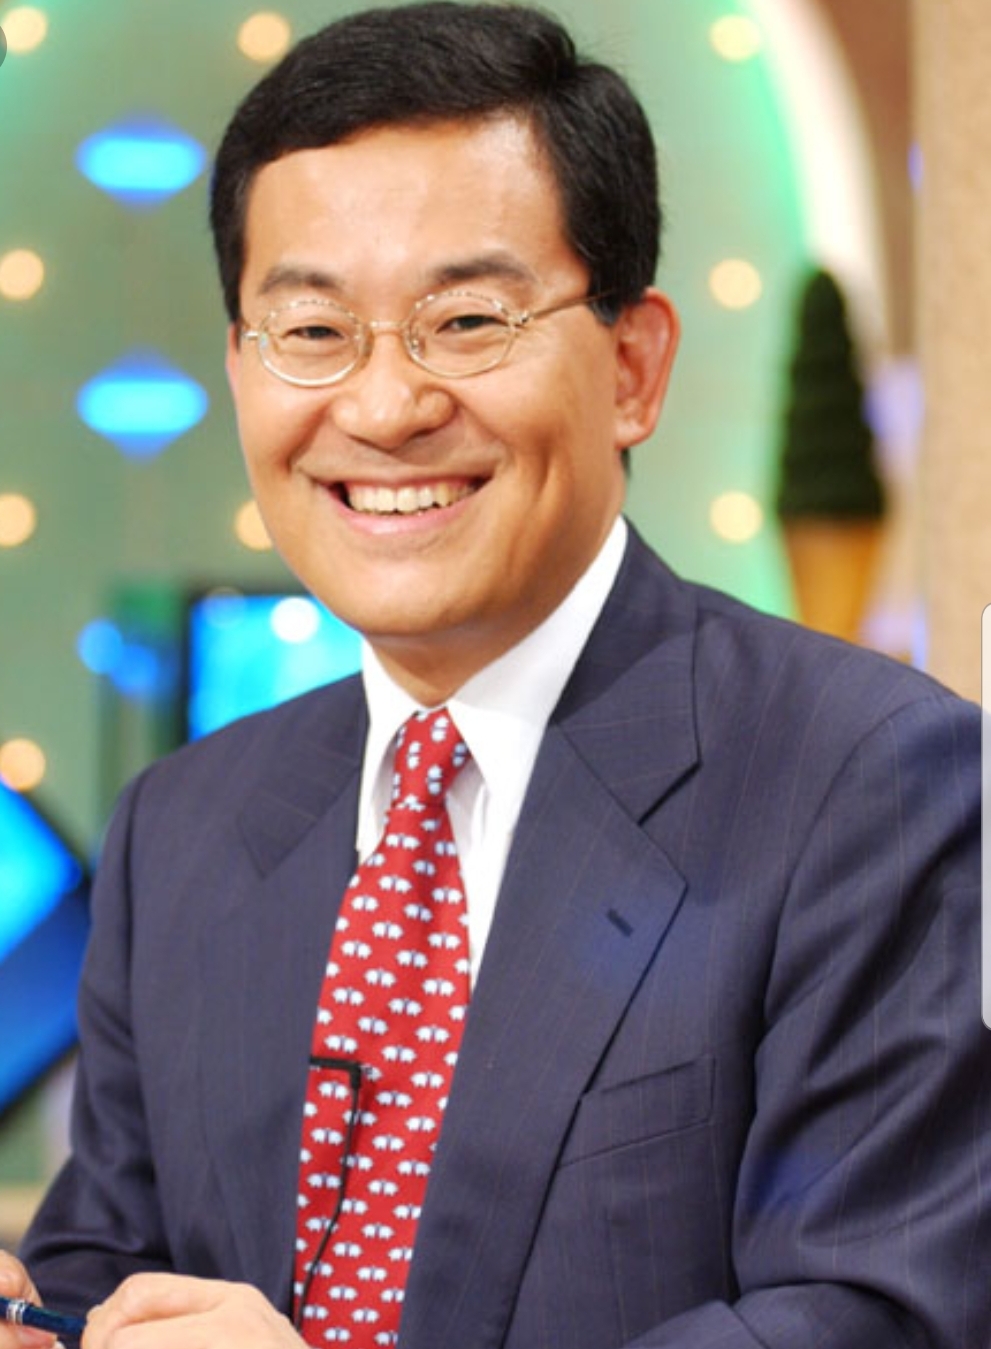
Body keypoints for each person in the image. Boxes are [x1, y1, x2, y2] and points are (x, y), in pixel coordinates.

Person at [2, 4, 989, 1347]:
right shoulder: (182, 826)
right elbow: (109, 1277)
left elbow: (882, 1318)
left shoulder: (880, 782)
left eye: (466, 319)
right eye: (312, 330)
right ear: (240, 367)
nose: (384, 406)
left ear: (633, 367)